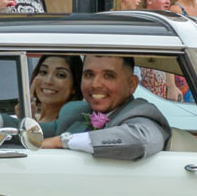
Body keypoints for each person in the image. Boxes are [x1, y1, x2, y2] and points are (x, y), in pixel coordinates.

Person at [40, 55, 171, 160]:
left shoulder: (141, 112)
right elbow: (36, 132)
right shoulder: (77, 112)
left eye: (108, 76)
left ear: (132, 84)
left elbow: (141, 141)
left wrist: (62, 142)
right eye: (89, 75)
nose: (95, 84)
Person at [138, 0, 181, 100]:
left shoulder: (164, 23)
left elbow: (168, 55)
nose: (167, 1)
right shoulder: (139, 21)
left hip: (159, 79)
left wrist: (171, 86)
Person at [27, 55, 83, 122]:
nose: (48, 81)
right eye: (43, 72)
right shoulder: (28, 117)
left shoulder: (74, 125)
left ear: (75, 86)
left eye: (60, 75)